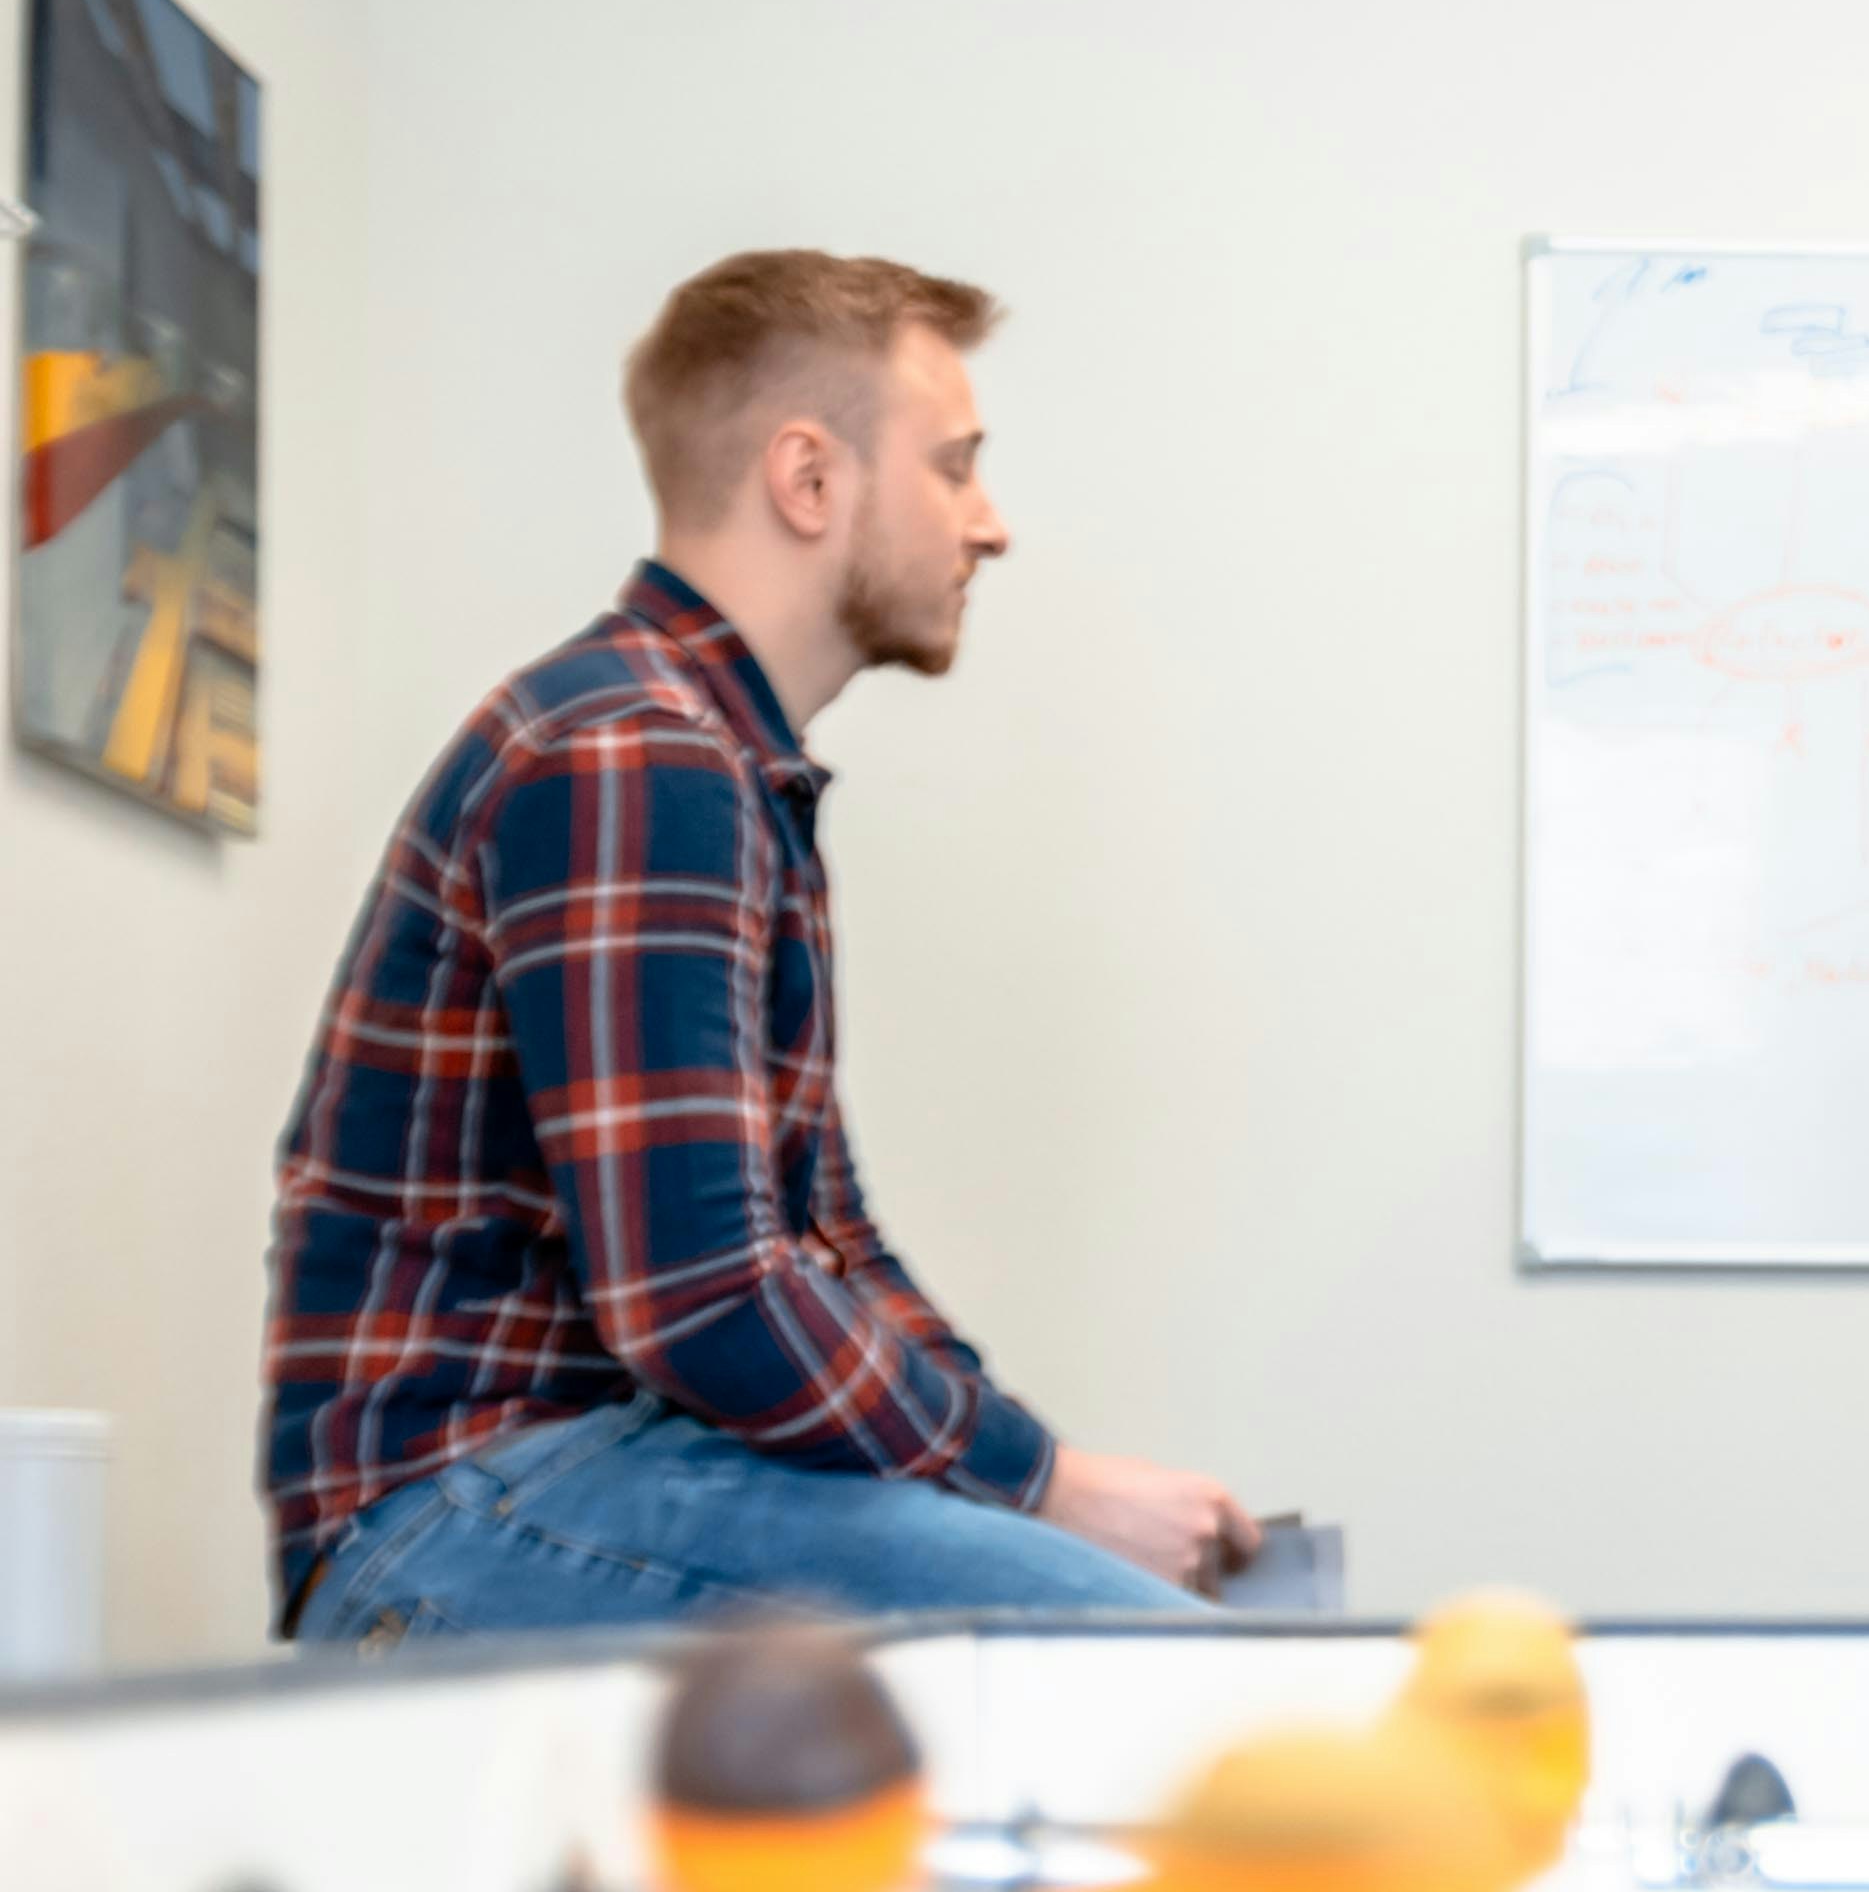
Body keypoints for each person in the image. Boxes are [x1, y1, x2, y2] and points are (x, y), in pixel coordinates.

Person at [265, 249, 1258, 1642]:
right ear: (808, 480)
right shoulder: (635, 757)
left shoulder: (720, 767)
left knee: (1147, 1648)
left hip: (582, 1480)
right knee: (1158, 1665)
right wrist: (1041, 1489)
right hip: (455, 1515)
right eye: (954, 468)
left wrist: (1040, 1484)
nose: (990, 526)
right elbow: (705, 1299)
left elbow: (823, 1247)